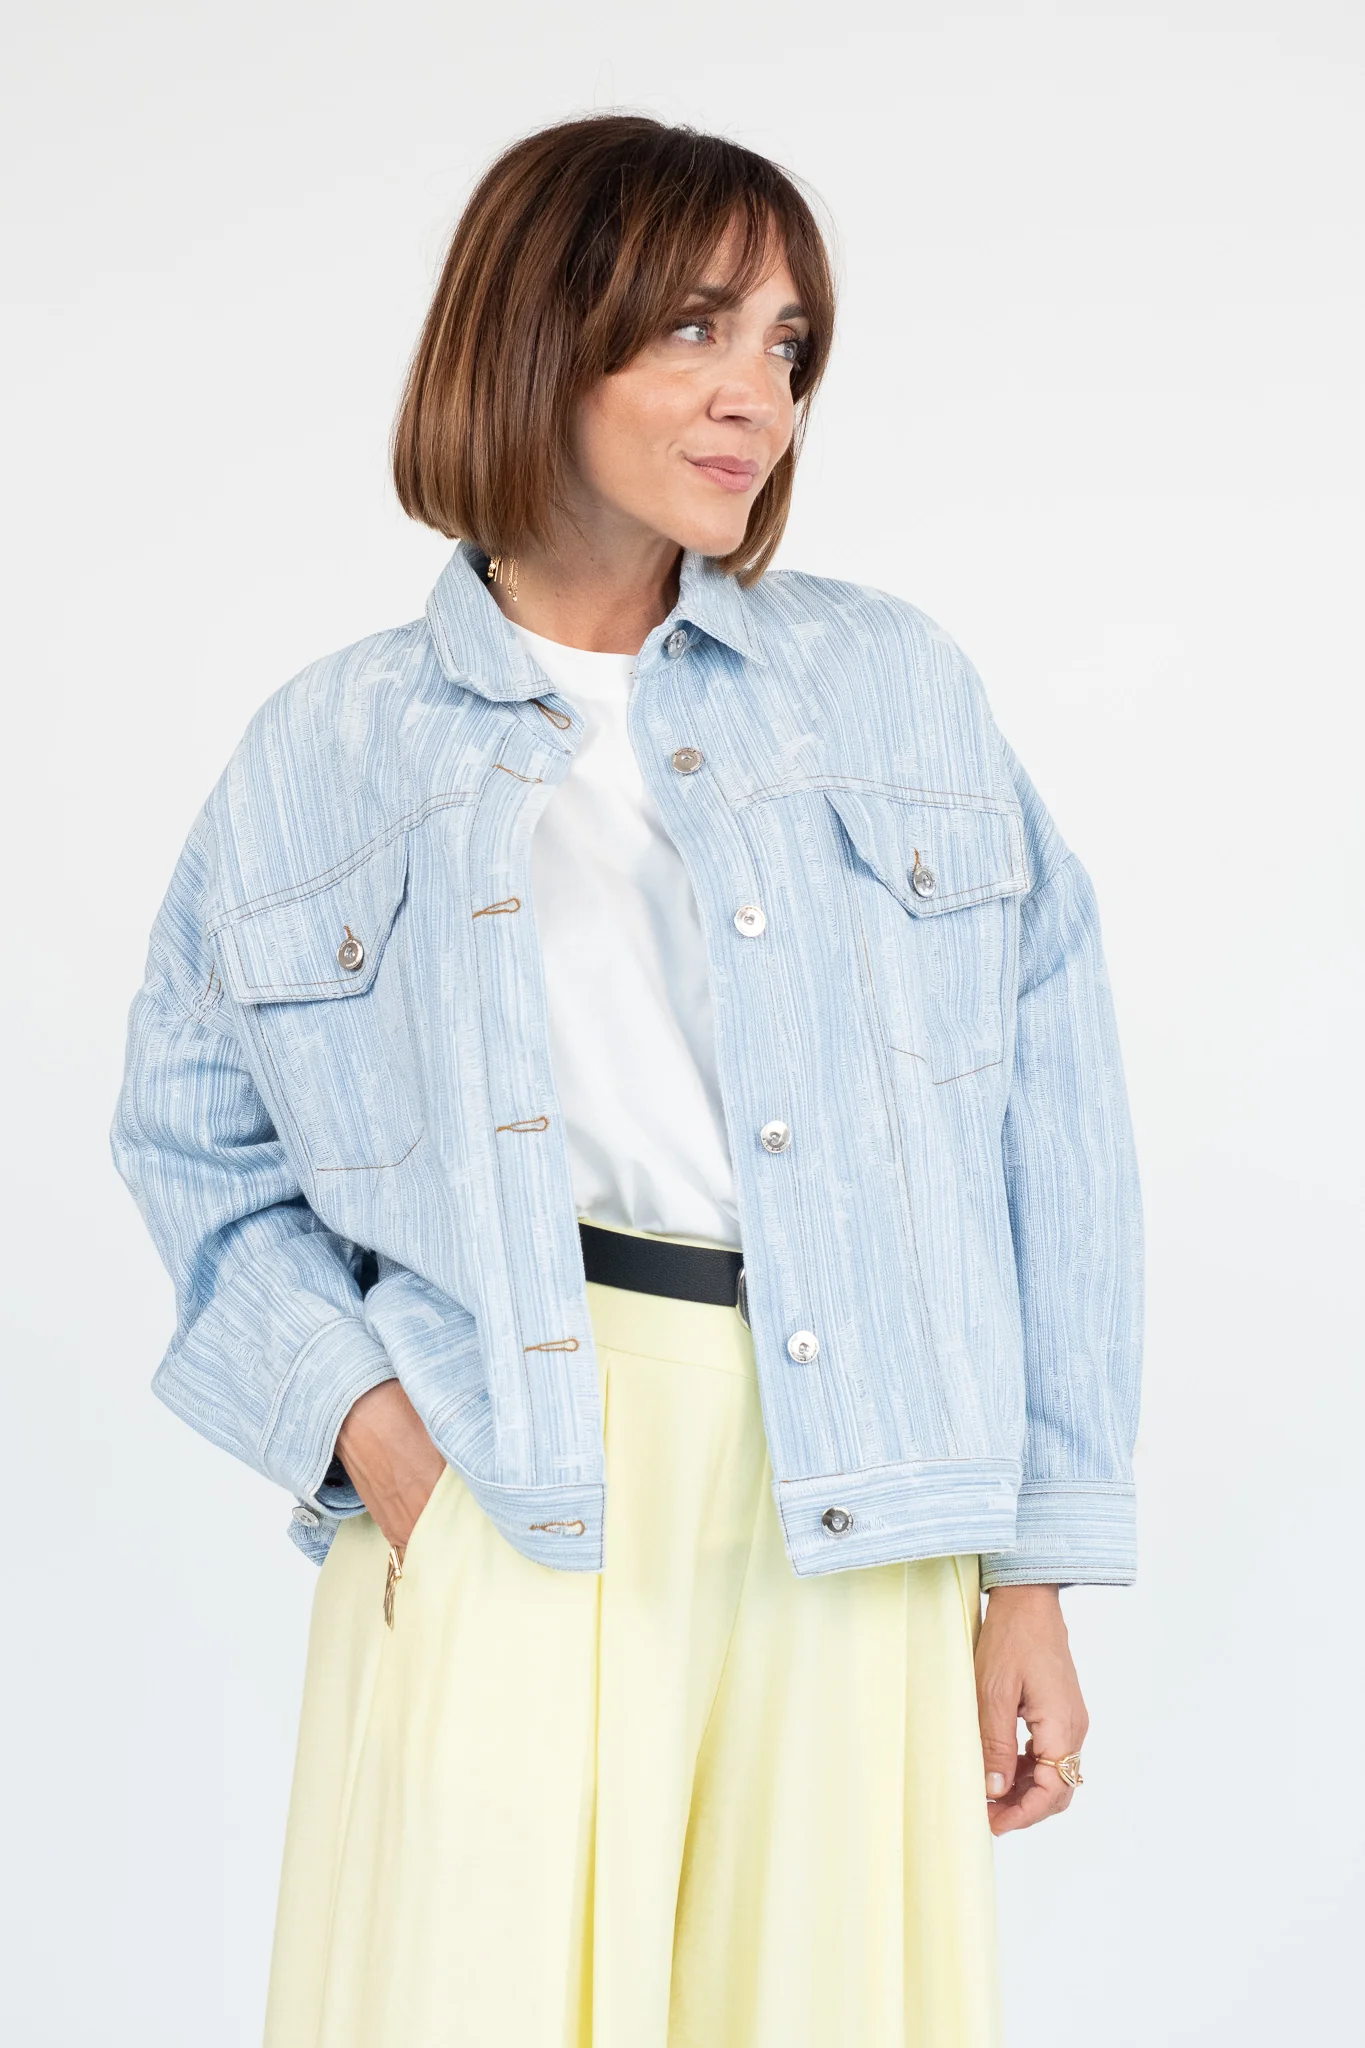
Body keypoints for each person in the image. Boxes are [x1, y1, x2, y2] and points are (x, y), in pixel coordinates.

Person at [111, 113, 1143, 2048]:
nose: (758, 394)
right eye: (694, 329)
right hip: (511, 1465)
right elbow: (191, 1138)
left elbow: (1057, 1125)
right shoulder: (330, 748)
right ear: (537, 336)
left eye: (788, 345)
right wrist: (379, 1443)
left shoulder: (892, 687)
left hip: (858, 1483)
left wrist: (1037, 1570)